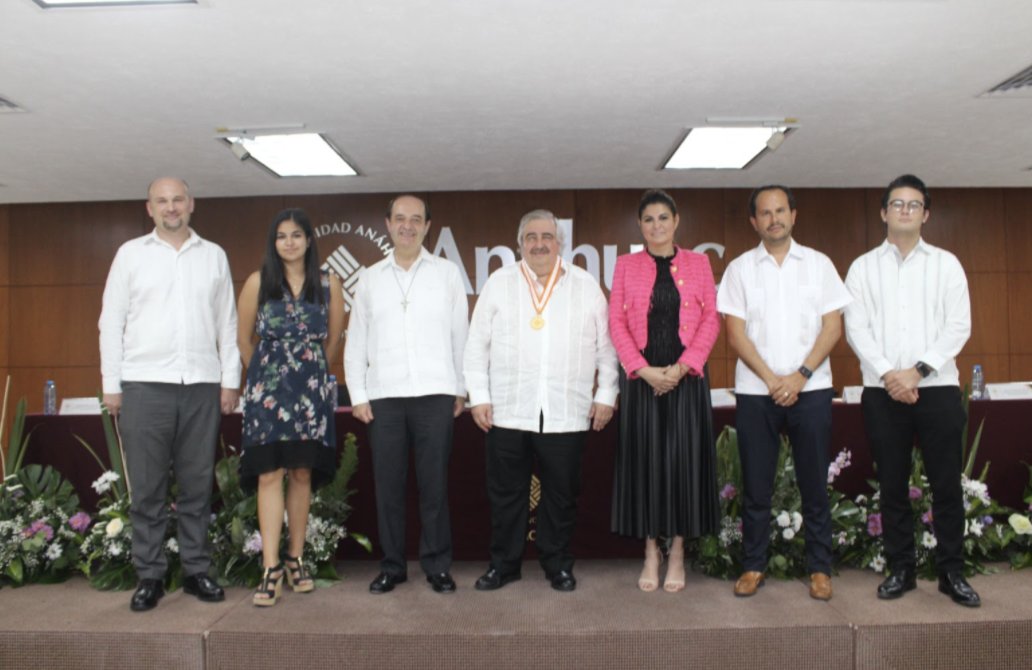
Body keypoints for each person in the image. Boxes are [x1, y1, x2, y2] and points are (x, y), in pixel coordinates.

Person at [99, 177, 241, 612]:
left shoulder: (213, 255)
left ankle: (198, 571)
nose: (171, 207)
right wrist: (111, 384)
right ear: (150, 208)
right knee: (147, 489)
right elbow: (111, 320)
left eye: (178, 199)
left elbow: (227, 323)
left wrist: (230, 379)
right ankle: (151, 575)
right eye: (162, 201)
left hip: (200, 383)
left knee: (198, 484)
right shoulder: (130, 255)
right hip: (144, 385)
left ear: (191, 203)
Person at [464, 209, 618, 593]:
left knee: (561, 496)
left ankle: (558, 564)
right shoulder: (498, 284)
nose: (539, 244)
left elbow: (607, 349)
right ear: (519, 244)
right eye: (530, 237)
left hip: (567, 411)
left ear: (560, 242)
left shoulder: (585, 285)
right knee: (505, 496)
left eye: (546, 236)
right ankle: (504, 565)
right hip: (507, 410)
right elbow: (474, 347)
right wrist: (478, 397)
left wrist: (607, 394)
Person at [844, 174, 980, 607]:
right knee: (893, 485)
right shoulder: (863, 267)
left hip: (937, 389)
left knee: (946, 486)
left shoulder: (947, 264)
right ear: (883, 212)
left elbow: (958, 326)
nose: (905, 210)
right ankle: (900, 570)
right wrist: (889, 375)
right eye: (897, 204)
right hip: (882, 393)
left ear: (926, 214)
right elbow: (856, 329)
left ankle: (951, 573)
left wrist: (916, 372)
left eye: (914, 204)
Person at [716, 185, 851, 601]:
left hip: (810, 389)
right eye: (764, 213)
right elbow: (735, 335)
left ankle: (819, 569)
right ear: (753, 221)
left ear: (794, 215)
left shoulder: (820, 265)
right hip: (757, 392)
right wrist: (774, 380)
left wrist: (799, 376)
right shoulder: (739, 269)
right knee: (756, 486)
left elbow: (833, 328)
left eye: (780, 210)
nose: (773, 218)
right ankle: (753, 566)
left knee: (814, 483)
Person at [343, 194, 468, 595]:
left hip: (435, 393)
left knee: (434, 486)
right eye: (400, 219)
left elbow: (459, 336)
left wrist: (461, 388)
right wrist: (358, 394)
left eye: (416, 220)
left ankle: (437, 566)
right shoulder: (369, 277)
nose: (408, 226)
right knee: (389, 487)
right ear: (387, 223)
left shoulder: (447, 274)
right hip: (384, 397)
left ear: (428, 226)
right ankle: (392, 566)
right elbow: (356, 340)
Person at [607, 189, 721, 592]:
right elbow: (616, 323)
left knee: (682, 465)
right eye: (649, 219)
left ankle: (677, 552)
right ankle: (650, 552)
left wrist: (683, 367)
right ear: (640, 226)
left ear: (676, 221)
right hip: (642, 380)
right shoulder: (625, 265)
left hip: (685, 379)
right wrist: (643, 370)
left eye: (663, 218)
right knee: (646, 465)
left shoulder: (698, 263)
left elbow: (711, 319)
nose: (656, 225)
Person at [236, 208, 344, 607]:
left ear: (309, 240)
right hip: (267, 393)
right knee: (269, 474)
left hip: (311, 392)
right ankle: (270, 568)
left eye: (297, 235)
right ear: (273, 243)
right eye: (281, 236)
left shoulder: (329, 283)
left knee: (301, 472)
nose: (290, 242)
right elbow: (244, 339)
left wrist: (309, 371)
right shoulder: (257, 282)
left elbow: (332, 341)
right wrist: (266, 377)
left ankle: (296, 558)